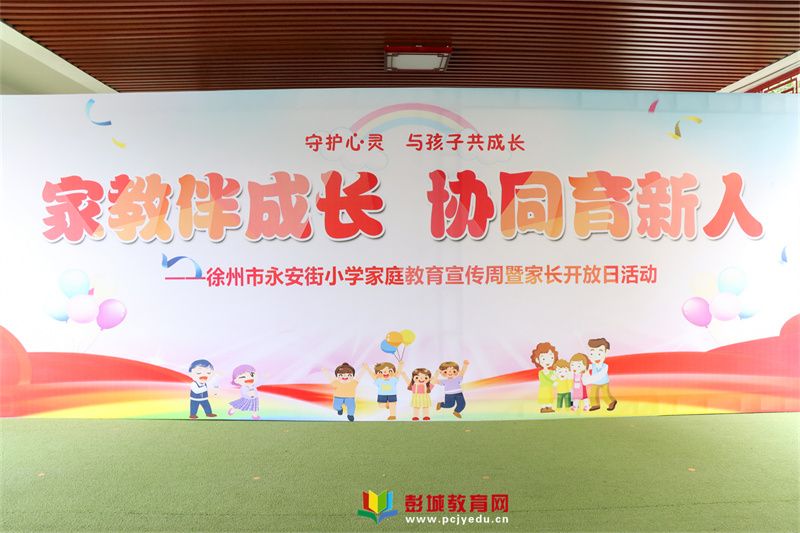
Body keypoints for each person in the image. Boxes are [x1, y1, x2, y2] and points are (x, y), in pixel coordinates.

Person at [584, 338, 618, 411]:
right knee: (593, 393)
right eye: (592, 354)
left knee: (605, 394)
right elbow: (586, 369)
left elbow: (600, 375)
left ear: (606, 352)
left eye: (599, 354)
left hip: (604, 382)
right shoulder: (592, 365)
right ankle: (595, 405)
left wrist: (588, 380)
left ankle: (611, 402)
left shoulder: (605, 366)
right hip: (596, 383)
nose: (596, 357)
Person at [531, 343, 558, 413]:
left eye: (551, 358)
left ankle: (549, 407)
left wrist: (555, 379)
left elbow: (555, 378)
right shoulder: (541, 372)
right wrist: (553, 383)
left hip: (549, 389)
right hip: (543, 388)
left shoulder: (551, 372)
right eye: (543, 358)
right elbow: (544, 381)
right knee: (543, 399)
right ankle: (543, 408)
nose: (548, 361)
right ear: (537, 360)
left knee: (549, 398)